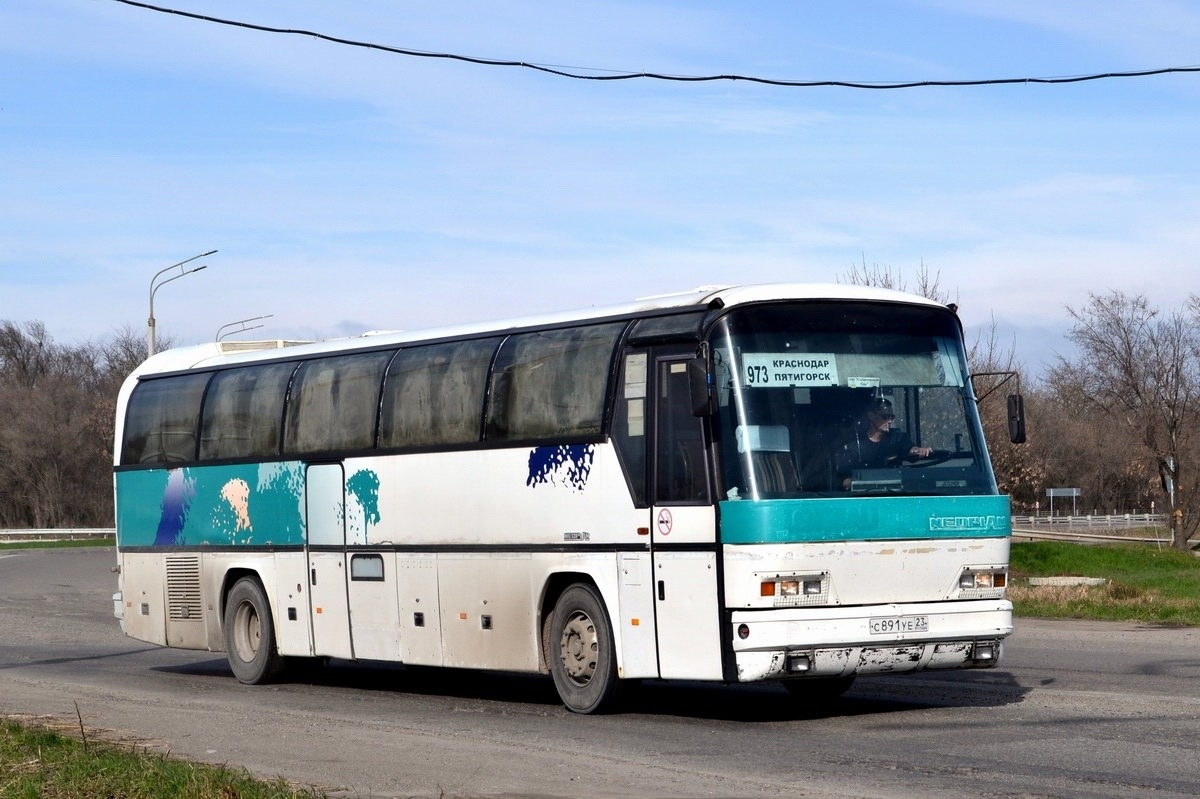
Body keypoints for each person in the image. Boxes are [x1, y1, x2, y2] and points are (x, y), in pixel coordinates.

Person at [834, 397, 932, 488]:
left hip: (894, 495)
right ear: (871, 416)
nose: (889, 421)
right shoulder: (855, 445)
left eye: (891, 417)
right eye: (885, 417)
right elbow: (843, 479)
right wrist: (863, 484)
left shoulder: (897, 438)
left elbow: (910, 449)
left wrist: (919, 450)